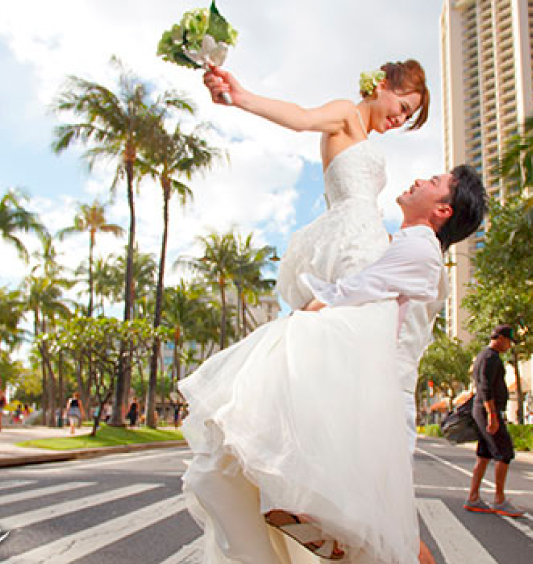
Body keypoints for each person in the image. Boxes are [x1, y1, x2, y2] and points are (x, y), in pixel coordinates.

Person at [180, 166, 486, 564]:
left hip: (376, 396)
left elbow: (358, 290)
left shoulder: (420, 247)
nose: (419, 181)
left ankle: (310, 510)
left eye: (434, 182)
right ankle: (308, 509)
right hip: (368, 389)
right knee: (383, 531)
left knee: (385, 535)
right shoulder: (405, 244)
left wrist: (306, 313)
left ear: (443, 210)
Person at [204, 60, 429, 315]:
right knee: (337, 317)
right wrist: (241, 97)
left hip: (367, 240)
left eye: (407, 117)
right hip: (349, 240)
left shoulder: (361, 135)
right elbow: (302, 118)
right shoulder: (347, 113)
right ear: (382, 84)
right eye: (403, 108)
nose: (400, 120)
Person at [464, 324, 523, 518]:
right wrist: (492, 415)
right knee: (504, 452)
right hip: (487, 410)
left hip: (483, 409)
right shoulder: (490, 358)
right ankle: (499, 500)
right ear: (500, 338)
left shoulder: (484, 356)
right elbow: (485, 387)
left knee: (484, 454)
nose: (509, 346)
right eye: (509, 341)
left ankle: (473, 498)